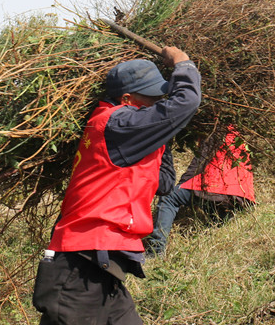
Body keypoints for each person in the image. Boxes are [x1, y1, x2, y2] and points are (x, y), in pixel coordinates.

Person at [33, 46, 201, 325]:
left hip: (102, 268)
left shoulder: (124, 132)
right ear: (126, 99)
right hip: (80, 267)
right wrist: (183, 64)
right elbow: (185, 102)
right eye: (153, 98)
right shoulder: (116, 124)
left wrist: (162, 134)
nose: (160, 102)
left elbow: (164, 184)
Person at [144, 125, 255, 257]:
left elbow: (199, 162)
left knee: (170, 197)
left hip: (217, 187)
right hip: (241, 197)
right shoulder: (236, 136)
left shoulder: (215, 130)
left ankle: (156, 251)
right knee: (214, 217)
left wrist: (181, 185)